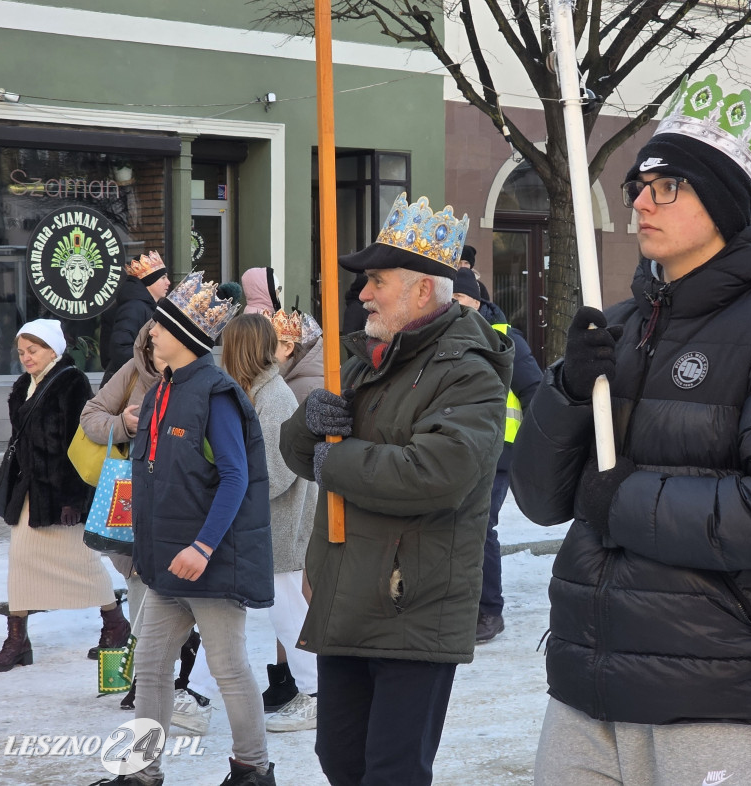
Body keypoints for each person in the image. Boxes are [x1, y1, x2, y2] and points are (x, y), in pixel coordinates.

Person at [509, 73, 751, 785]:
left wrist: (625, 499)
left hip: (712, 689)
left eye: (666, 186)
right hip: (585, 687)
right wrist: (567, 391)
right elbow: (541, 498)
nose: (639, 200)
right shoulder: (622, 329)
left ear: (723, 204)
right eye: (639, 182)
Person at [279, 193, 513, 785]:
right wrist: (308, 427)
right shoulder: (364, 363)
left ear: (422, 289)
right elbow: (299, 455)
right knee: (339, 760)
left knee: (392, 772)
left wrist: (336, 459)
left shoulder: (469, 371)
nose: (362, 293)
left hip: (413, 602)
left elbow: (436, 474)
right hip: (348, 595)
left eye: (375, 281)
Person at [124, 271, 276, 786]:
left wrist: (204, 546)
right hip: (166, 564)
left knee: (229, 670)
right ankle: (142, 771)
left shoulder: (217, 394)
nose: (151, 335)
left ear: (186, 338)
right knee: (150, 669)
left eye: (160, 328)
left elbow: (237, 477)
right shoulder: (159, 391)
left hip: (209, 563)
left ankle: (253, 769)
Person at [0, 319, 130, 672]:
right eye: (21, 351)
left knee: (82, 563)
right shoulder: (25, 384)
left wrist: (72, 498)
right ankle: (17, 639)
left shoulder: (72, 382)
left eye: (33, 350)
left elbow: (79, 442)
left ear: (53, 348)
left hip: (60, 495)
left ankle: (115, 624)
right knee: (20, 562)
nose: (26, 357)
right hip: (29, 490)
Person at [222, 312, 317, 733]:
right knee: (245, 607)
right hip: (267, 522)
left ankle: (318, 694)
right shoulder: (257, 391)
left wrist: (230, 496)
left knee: (287, 608)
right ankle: (199, 694)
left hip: (279, 523)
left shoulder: (274, 396)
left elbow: (276, 473)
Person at [451, 266, 541, 643]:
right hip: (457, 449)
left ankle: (489, 611)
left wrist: (534, 450)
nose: (454, 306)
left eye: (459, 299)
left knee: (480, 525)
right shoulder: (445, 336)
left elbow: (535, 390)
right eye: (449, 300)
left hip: (499, 452)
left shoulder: (506, 340)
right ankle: (462, 607)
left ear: (476, 300)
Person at [80, 319, 162, 708]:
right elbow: (90, 416)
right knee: (140, 588)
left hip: (181, 503)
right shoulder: (133, 370)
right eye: (154, 339)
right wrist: (123, 424)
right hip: (132, 499)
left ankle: (170, 676)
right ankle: (146, 679)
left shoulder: (201, 376)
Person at [102, 251, 170, 385]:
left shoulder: (143, 305)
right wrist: (152, 362)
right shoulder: (134, 307)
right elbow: (120, 349)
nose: (168, 282)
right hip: (127, 386)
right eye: (162, 278)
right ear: (149, 280)